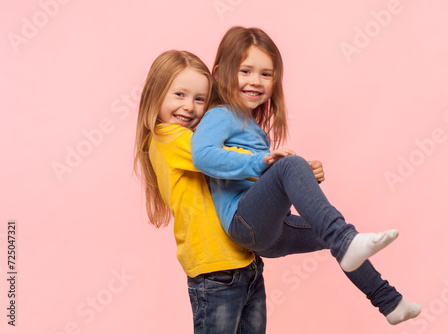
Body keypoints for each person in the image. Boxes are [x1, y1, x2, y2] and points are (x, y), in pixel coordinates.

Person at [191, 26, 422, 325]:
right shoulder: (220, 114)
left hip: (273, 230)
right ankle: (345, 239)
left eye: (266, 74)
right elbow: (203, 155)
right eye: (245, 71)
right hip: (243, 223)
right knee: (295, 171)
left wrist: (303, 179)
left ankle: (390, 302)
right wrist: (264, 163)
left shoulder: (254, 128)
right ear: (221, 73)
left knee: (333, 234)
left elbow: (264, 183)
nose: (255, 81)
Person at [134, 50, 267, 333]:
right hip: (214, 271)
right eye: (179, 95)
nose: (189, 107)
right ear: (155, 94)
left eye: (199, 99)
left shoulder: (193, 137)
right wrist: (265, 160)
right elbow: (217, 157)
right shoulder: (171, 137)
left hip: (247, 263)